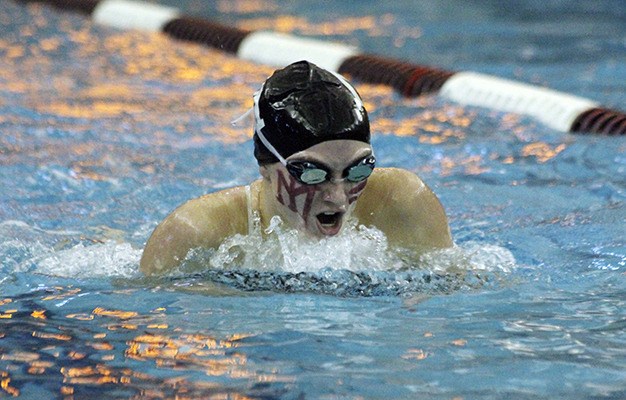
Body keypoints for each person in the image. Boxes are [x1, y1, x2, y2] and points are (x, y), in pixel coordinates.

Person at [140, 60, 452, 275]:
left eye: (357, 171)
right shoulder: (196, 235)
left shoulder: (402, 204)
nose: (339, 198)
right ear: (266, 166)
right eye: (313, 174)